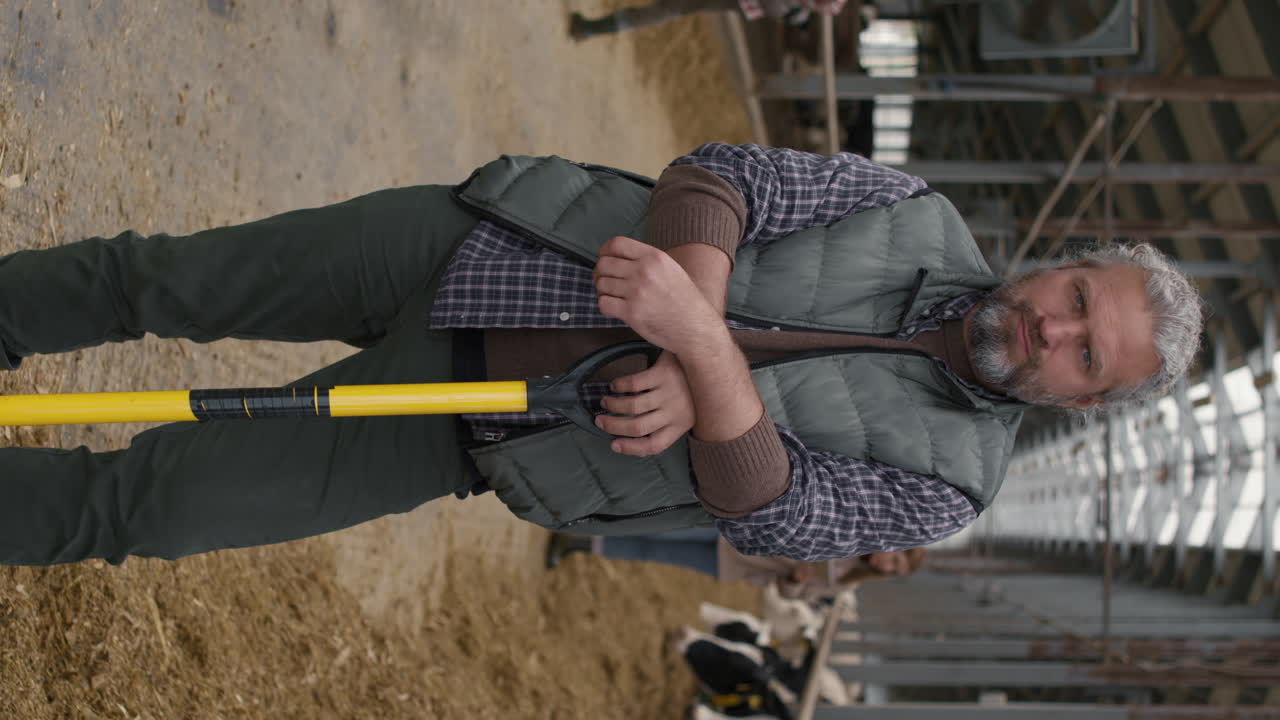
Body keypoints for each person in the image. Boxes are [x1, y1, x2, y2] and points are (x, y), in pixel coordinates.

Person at [0, 142, 1203, 567]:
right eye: (1074, 296)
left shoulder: (951, 483)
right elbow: (725, 175)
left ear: (1076, 396)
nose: (1051, 328)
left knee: (140, 511)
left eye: (1084, 355)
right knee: (157, 278)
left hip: (473, 427)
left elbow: (767, 507)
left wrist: (701, 356)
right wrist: (694, 318)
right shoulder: (912, 208)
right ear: (1063, 263)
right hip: (487, 245)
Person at [546, 529, 924, 602]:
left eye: (891, 571)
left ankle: (578, 546)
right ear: (893, 546)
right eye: (894, 559)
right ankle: (582, 527)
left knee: (654, 552)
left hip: (734, 565)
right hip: (738, 530)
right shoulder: (851, 532)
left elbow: (791, 595)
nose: (885, 566)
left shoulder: (846, 583)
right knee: (661, 529)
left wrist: (797, 579)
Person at [568, 0, 847, 41]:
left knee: (669, 8)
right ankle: (591, 28)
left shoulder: (791, 9)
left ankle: (591, 28)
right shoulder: (796, 12)